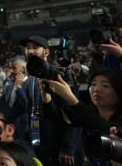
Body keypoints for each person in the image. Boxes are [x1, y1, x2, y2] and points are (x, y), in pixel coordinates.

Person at [21, 36, 82, 166]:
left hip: (61, 146)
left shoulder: (60, 75)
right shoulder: (29, 81)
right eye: (28, 48)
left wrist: (68, 147)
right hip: (40, 145)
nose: (30, 51)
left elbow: (75, 113)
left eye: (35, 47)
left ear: (46, 52)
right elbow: (29, 112)